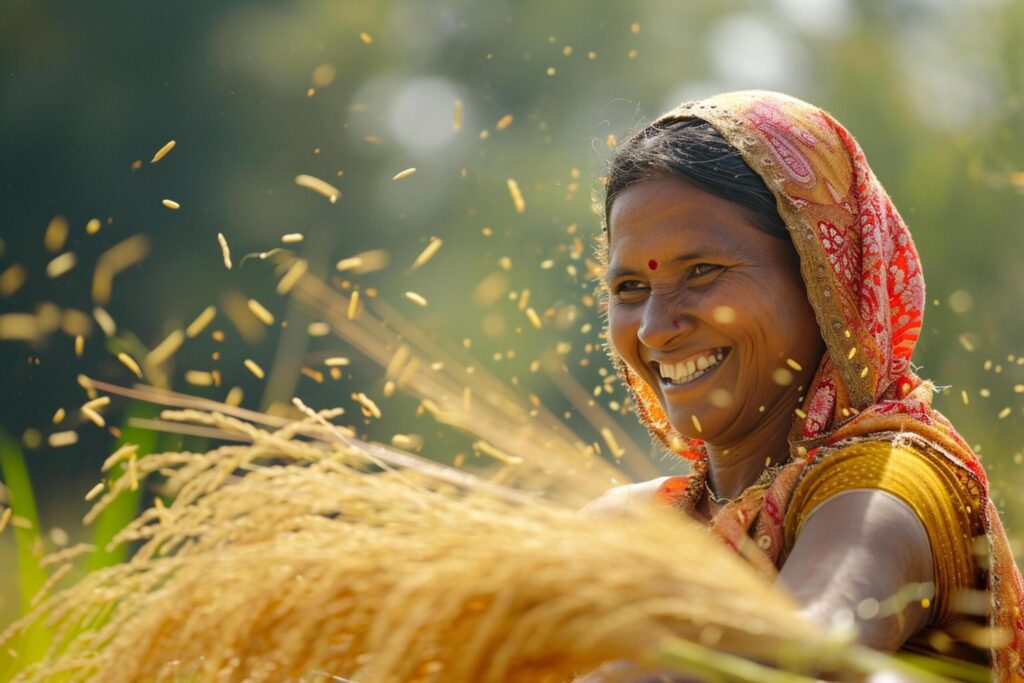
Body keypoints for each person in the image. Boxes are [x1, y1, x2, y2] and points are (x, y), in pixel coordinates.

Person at [583, 90, 1024, 679]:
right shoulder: (638, 524)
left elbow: (804, 646)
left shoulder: (886, 487)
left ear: (823, 279)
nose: (657, 328)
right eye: (630, 289)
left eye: (703, 272)